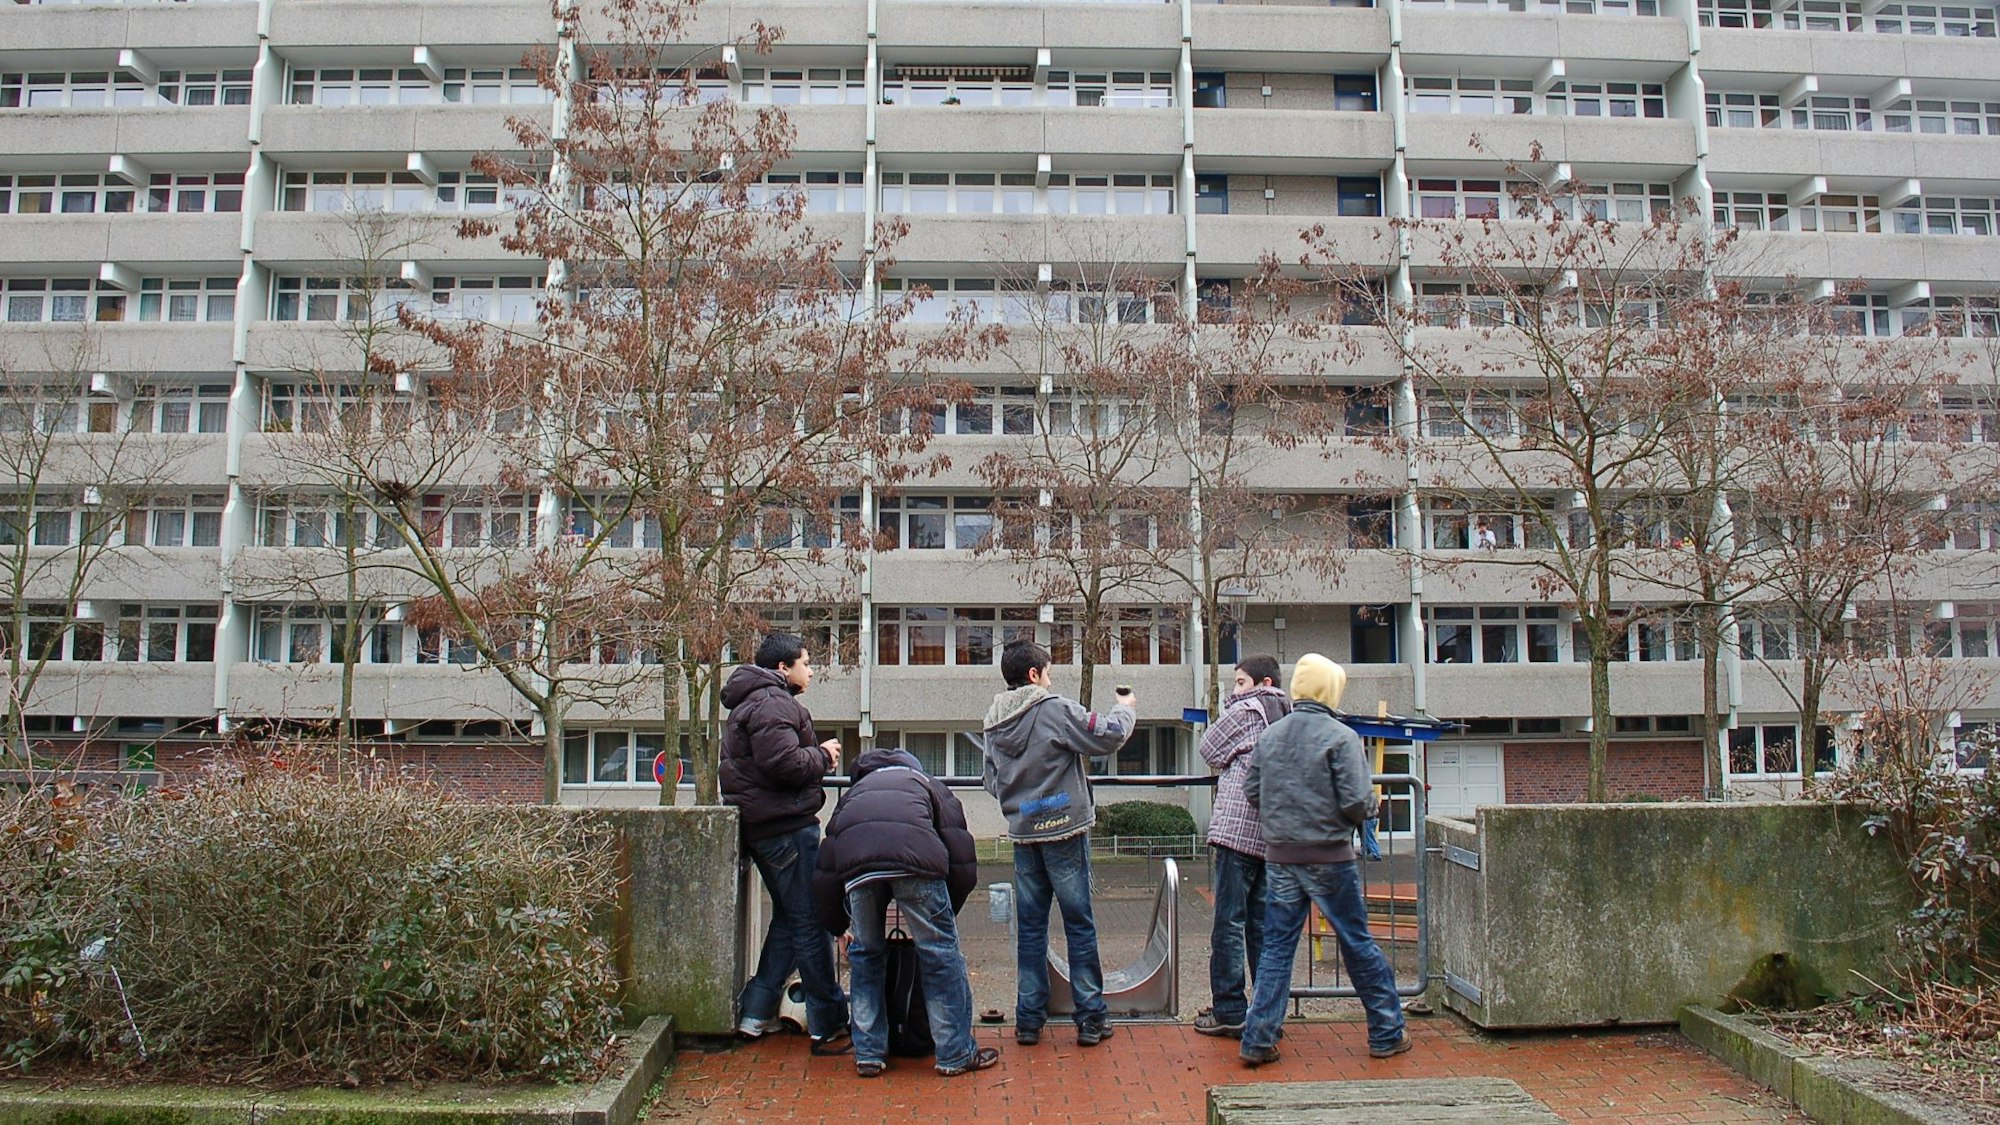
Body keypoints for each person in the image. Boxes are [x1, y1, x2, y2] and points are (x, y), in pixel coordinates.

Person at [1238, 653, 1409, 1067]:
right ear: (1331, 690)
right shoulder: (1341, 736)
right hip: (1330, 856)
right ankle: (1386, 1031)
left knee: (1277, 948)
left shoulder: (1272, 735)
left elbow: (1253, 790)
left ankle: (1258, 1038)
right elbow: (1356, 801)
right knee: (1356, 942)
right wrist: (1369, 808)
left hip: (1281, 855)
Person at [980, 640, 1135, 1048]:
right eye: (1047, 672)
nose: (1050, 679)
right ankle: (1090, 1018)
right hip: (1065, 830)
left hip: (1024, 833)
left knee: (1031, 930)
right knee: (1079, 925)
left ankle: (1029, 1021)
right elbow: (1109, 735)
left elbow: (992, 781)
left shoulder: (994, 720)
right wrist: (1127, 707)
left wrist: (1024, 806)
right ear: (1034, 675)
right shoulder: (1053, 708)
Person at [812, 744, 998, 1078]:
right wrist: (945, 913)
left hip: (860, 871)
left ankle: (868, 1053)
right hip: (918, 864)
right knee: (940, 954)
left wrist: (838, 926)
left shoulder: (853, 796)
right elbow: (961, 856)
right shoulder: (927, 784)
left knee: (866, 955)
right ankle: (954, 1053)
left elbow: (825, 871)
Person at [720, 632, 850, 1052]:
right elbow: (784, 763)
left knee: (789, 919)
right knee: (810, 922)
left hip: (766, 827)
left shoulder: (750, 702)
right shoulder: (775, 702)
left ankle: (755, 1012)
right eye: (806, 663)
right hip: (786, 828)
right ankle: (827, 1022)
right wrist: (824, 755)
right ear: (783, 668)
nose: (810, 671)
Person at [1193, 655, 1291, 1039]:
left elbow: (1210, 748)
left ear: (1262, 683)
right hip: (1272, 834)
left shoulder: (1249, 710)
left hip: (1238, 830)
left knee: (1229, 923)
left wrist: (1234, 708)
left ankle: (1230, 1008)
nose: (1235, 691)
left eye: (1239, 682)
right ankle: (1266, 1011)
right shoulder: (1288, 713)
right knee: (1262, 927)